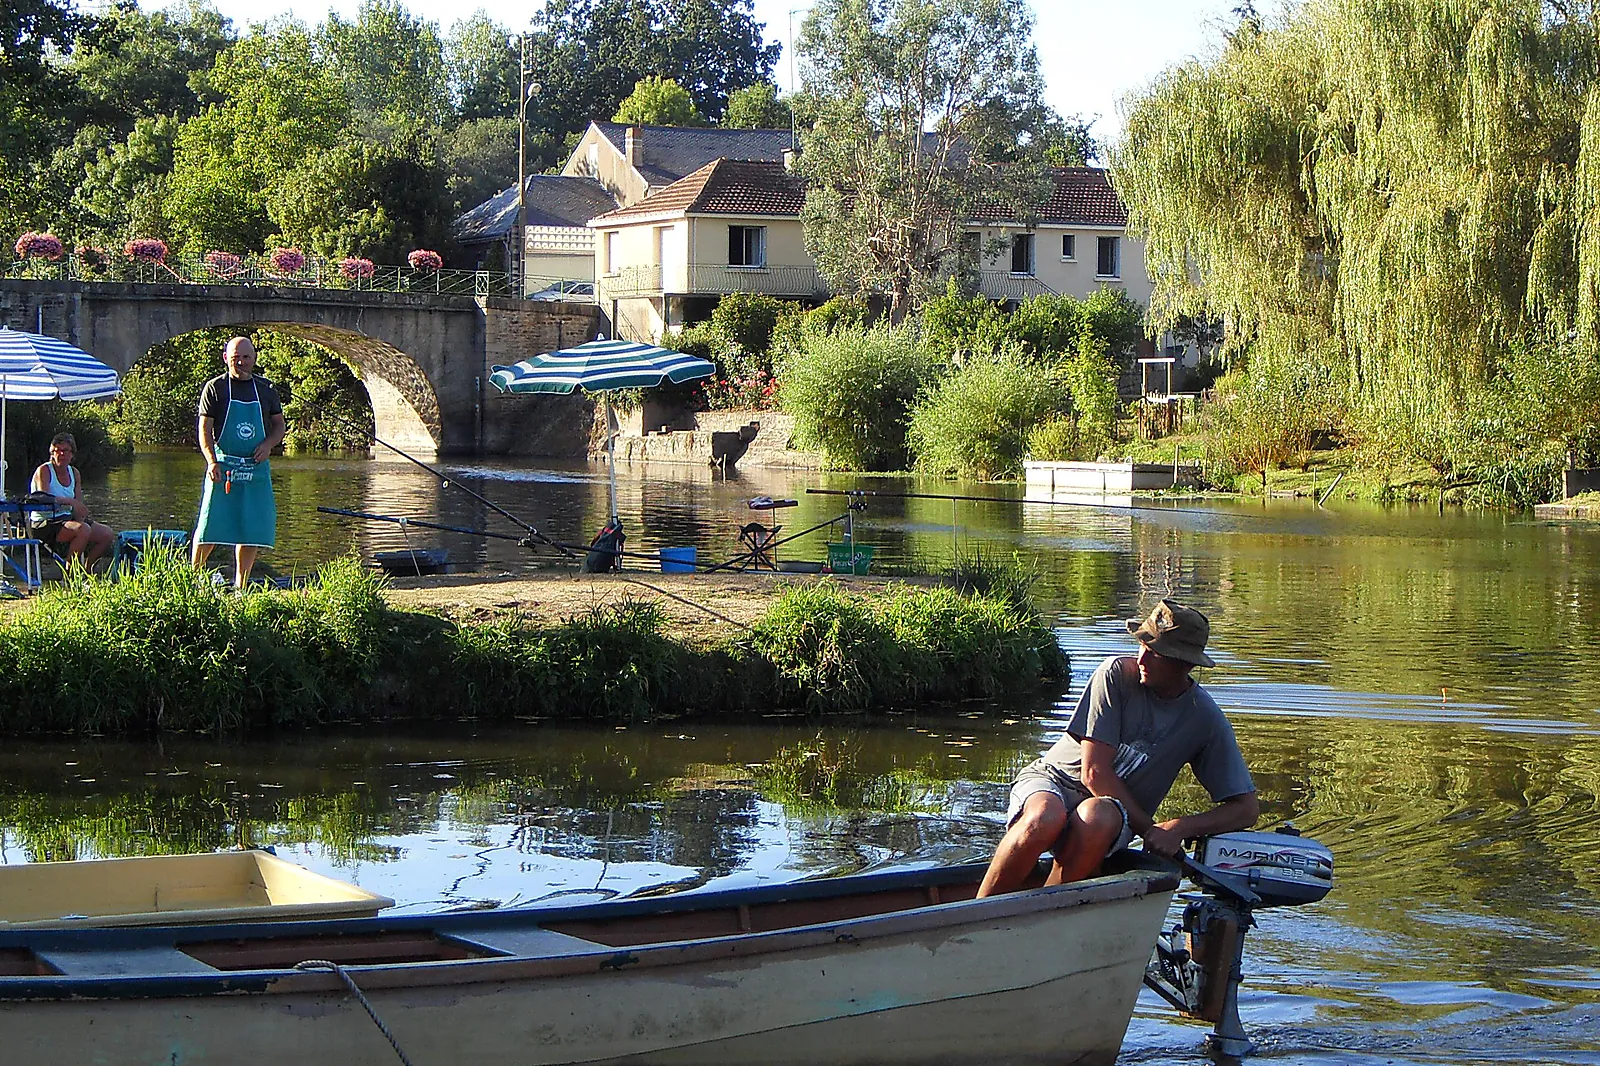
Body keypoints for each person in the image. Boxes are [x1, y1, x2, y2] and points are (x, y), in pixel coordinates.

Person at [977, 599, 1260, 897]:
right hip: (1053, 782)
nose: (1142, 660)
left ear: (1185, 664)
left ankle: (1036, 916)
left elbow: (1246, 810)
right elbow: (1094, 773)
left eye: (1156, 654)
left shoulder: (1205, 719)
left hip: (1108, 817)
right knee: (1045, 817)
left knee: (1100, 815)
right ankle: (976, 913)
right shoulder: (1114, 675)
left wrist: (1178, 828)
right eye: (1142, 646)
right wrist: (1151, 830)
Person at [191, 336, 286, 588]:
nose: (241, 362)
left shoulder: (266, 389)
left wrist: (268, 445)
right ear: (226, 359)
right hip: (223, 467)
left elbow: (279, 426)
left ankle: (240, 586)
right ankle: (192, 579)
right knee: (210, 523)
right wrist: (211, 461)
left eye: (246, 357)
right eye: (236, 358)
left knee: (251, 527)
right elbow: (204, 430)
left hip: (255, 468)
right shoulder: (215, 388)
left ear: (254, 359)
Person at [27, 432, 115, 567]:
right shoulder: (44, 470)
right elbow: (43, 498)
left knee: (106, 534)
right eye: (58, 451)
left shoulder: (74, 473)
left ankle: (88, 570)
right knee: (83, 529)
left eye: (65, 451)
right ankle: (69, 575)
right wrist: (70, 502)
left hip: (67, 519)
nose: (62, 454)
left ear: (72, 454)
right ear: (52, 453)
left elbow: (78, 503)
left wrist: (80, 514)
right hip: (45, 523)